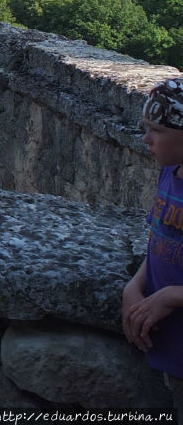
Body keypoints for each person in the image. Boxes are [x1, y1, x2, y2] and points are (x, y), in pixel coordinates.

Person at [124, 77, 183, 413]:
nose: (146, 138)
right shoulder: (170, 173)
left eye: (156, 131)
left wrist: (173, 295)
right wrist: (135, 285)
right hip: (170, 351)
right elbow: (162, 238)